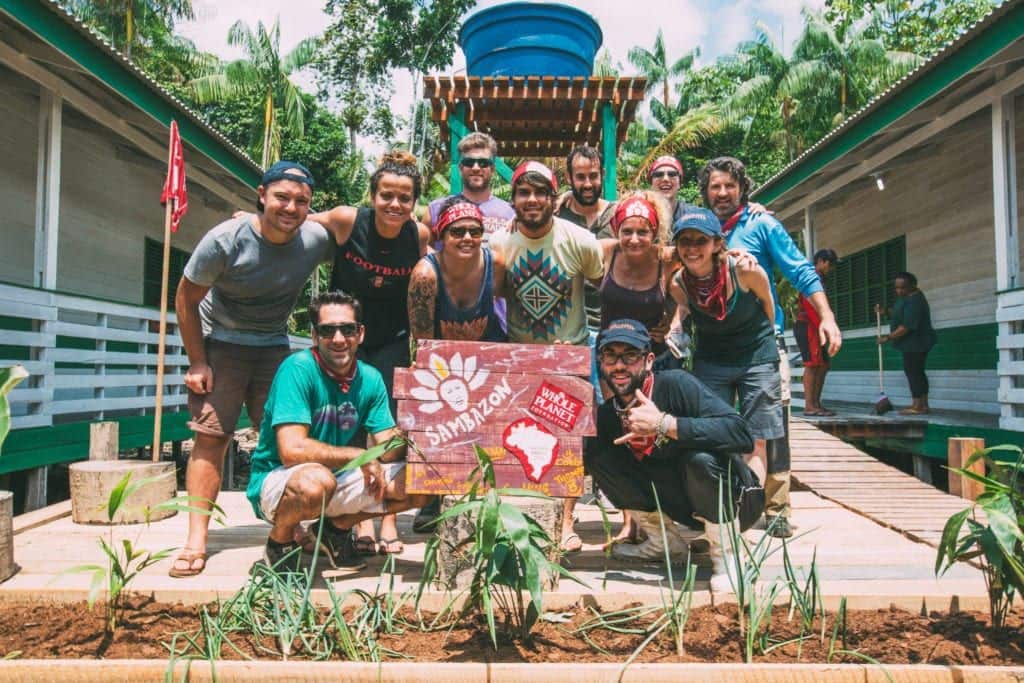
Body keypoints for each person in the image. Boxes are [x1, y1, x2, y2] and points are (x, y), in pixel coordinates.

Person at [170, 161, 333, 578]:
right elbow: (185, 300)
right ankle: (195, 539)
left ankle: (289, 527)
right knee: (211, 437)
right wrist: (197, 361)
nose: (290, 207)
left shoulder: (314, 238)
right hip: (222, 341)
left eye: (301, 201)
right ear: (261, 195)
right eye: (281, 197)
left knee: (287, 439)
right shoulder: (225, 240)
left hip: (274, 346)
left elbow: (355, 226)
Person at [701, 156, 842, 538]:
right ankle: (726, 504)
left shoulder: (761, 224)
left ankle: (777, 507)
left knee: (772, 425)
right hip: (713, 347)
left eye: (730, 185)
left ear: (742, 188)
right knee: (715, 427)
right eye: (715, 186)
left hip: (762, 344)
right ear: (706, 191)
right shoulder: (699, 228)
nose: (723, 192)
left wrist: (826, 316)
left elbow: (800, 269)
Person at [246, 291, 432, 571]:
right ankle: (279, 544)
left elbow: (388, 449)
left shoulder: (369, 378)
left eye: (347, 329)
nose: (338, 339)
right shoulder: (297, 369)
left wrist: (417, 423)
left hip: (337, 478)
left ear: (360, 334)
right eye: (327, 330)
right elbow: (291, 450)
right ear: (314, 335)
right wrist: (359, 456)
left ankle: (336, 530)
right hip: (279, 480)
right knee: (316, 483)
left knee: (423, 481)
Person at [312, 150, 432, 556]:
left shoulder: (417, 236)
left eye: (404, 197)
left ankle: (386, 522)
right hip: (344, 338)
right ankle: (354, 523)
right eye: (387, 195)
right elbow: (298, 221)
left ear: (414, 201)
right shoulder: (348, 220)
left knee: (388, 430)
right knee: (348, 426)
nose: (395, 204)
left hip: (391, 338)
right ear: (373, 195)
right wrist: (250, 220)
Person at [584, 318, 760, 591]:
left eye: (630, 356)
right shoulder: (609, 414)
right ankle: (663, 543)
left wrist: (664, 424)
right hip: (680, 502)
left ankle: (727, 556)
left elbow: (741, 434)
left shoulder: (677, 385)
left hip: (734, 499)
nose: (619, 365)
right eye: (610, 355)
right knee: (595, 451)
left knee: (699, 460)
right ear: (600, 361)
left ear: (649, 360)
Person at [490, 160, 604, 553]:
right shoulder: (500, 245)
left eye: (541, 192)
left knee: (570, 443)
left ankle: (567, 521)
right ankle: (524, 517)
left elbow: (602, 282)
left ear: (555, 199)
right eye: (524, 192)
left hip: (570, 354)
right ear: (514, 199)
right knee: (523, 442)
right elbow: (498, 293)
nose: (532, 199)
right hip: (521, 357)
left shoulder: (579, 240)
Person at [668, 208, 780, 530]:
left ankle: (747, 510)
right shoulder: (679, 283)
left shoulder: (744, 271)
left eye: (700, 240)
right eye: (684, 241)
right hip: (713, 359)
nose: (692, 248)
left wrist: (767, 348)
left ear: (717, 243)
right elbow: (686, 311)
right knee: (713, 435)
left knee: (756, 438)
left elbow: (767, 305)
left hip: (756, 356)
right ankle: (716, 506)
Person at [408, 199, 507, 343]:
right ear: (442, 236)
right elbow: (423, 343)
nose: (467, 238)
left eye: (475, 232)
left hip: (490, 352)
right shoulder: (425, 276)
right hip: (441, 360)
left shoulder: (495, 264)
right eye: (457, 232)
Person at [425, 132, 515, 242]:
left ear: (492, 169)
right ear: (460, 168)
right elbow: (424, 248)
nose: (476, 168)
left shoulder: (511, 213)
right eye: (469, 162)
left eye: (483, 163)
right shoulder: (436, 209)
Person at [877, 272, 936, 415]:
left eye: (902, 288)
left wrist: (888, 337)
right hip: (912, 343)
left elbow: (906, 327)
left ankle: (918, 406)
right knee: (916, 371)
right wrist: (884, 311)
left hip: (917, 343)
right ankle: (923, 405)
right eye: (896, 288)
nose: (899, 291)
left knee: (913, 372)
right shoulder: (906, 297)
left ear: (912, 286)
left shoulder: (915, 301)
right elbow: (898, 312)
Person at [797, 249, 839, 416]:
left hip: (815, 325)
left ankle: (816, 404)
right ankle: (809, 406)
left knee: (823, 365)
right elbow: (810, 305)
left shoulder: (821, 279)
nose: (831, 268)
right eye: (830, 264)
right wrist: (824, 326)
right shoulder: (811, 277)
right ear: (821, 261)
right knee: (812, 364)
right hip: (808, 325)